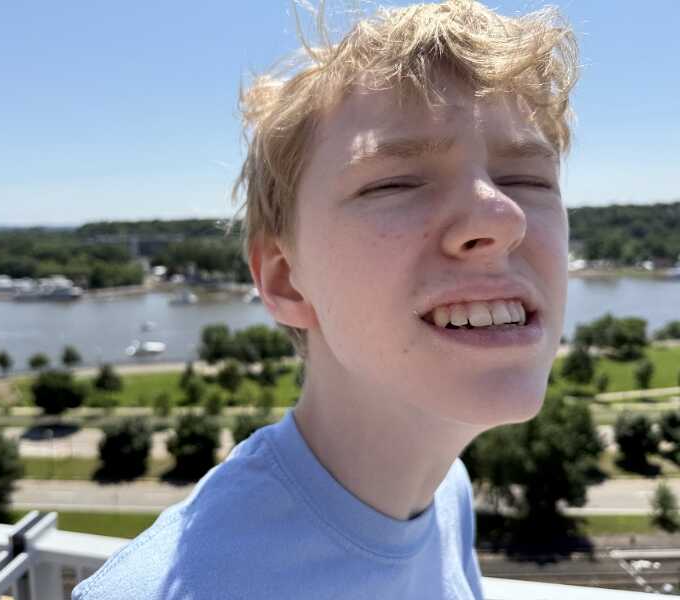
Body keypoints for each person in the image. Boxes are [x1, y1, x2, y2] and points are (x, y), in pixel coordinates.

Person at [73, 1, 577, 598]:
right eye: (396, 182)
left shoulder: (447, 493)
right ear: (287, 279)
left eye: (528, 180)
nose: (502, 216)